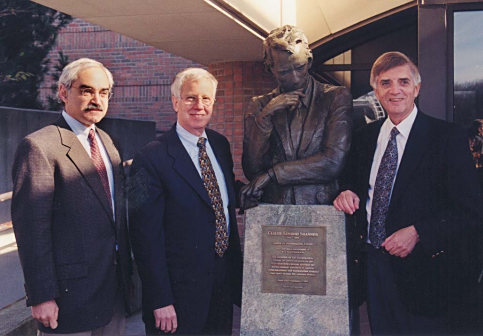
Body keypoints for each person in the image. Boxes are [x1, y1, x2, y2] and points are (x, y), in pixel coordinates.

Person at [333, 51, 483, 334]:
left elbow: (471, 212)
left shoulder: (446, 137)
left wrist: (419, 232)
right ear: (376, 90)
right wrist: (346, 192)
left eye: (403, 81)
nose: (395, 90)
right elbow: (351, 183)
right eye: (386, 83)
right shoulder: (364, 138)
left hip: (427, 276)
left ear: (417, 88)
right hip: (373, 267)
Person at [11, 58, 133, 335]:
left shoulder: (108, 144)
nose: (97, 100)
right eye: (87, 90)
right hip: (69, 300)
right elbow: (32, 230)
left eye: (104, 93)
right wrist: (41, 295)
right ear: (64, 93)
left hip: (113, 293)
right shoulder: (39, 146)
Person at [128, 68, 242, 335]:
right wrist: (160, 299)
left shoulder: (220, 145)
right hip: (176, 299)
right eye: (191, 98)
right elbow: (144, 237)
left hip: (221, 287)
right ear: (175, 102)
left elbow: (220, 199)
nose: (199, 106)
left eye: (206, 99)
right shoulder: (150, 158)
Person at [241, 25, 352, 209]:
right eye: (284, 72)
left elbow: (332, 162)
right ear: (270, 69)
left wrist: (273, 174)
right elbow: (252, 170)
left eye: (300, 67)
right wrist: (264, 119)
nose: (294, 78)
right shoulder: (259, 106)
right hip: (275, 210)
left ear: (309, 61)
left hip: (320, 207)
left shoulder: (335, 97)